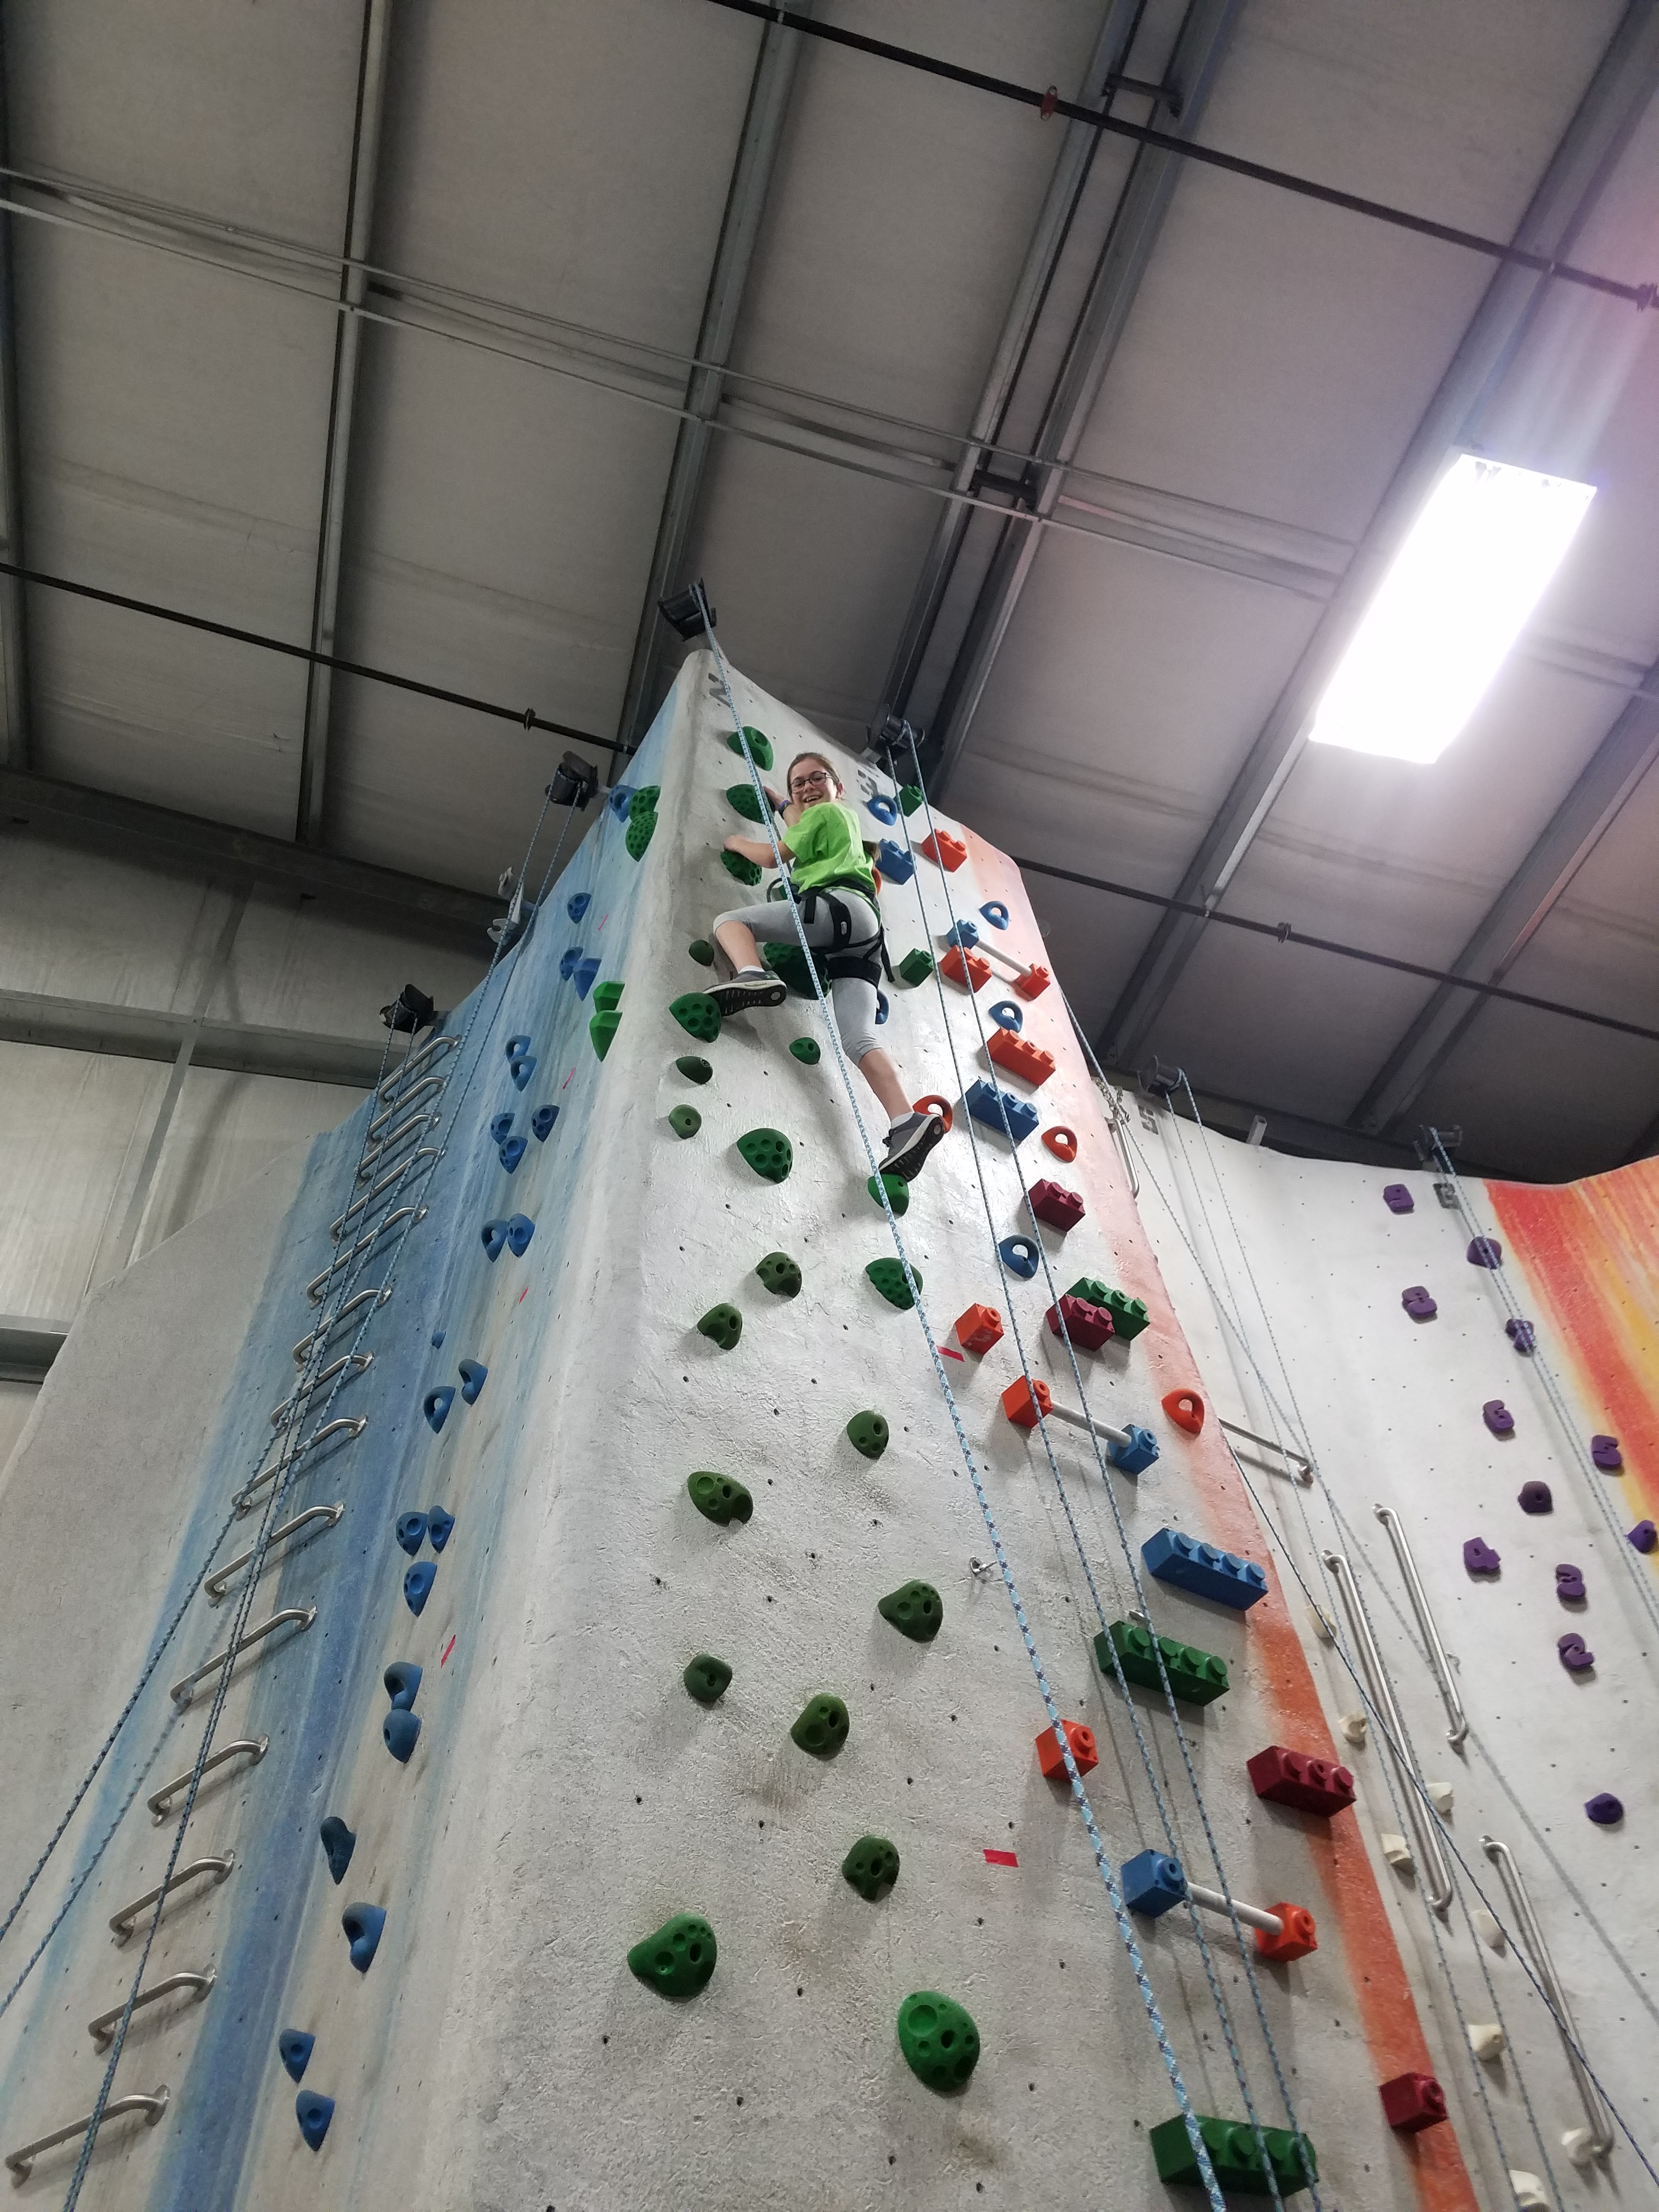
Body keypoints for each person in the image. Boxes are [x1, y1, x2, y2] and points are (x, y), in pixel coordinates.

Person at [707, 750, 946, 1182]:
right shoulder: (841, 823)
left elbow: (774, 856)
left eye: (816, 778)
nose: (807, 787)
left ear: (839, 786)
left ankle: (752, 974)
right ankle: (905, 1120)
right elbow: (802, 823)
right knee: (859, 1039)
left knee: (731, 922)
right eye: (799, 783)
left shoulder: (827, 813)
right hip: (865, 936)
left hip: (837, 908)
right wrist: (783, 803)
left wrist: (736, 843)